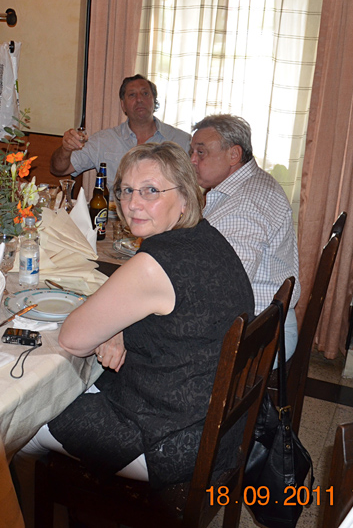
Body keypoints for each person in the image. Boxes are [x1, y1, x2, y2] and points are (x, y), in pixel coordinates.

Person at [22, 142, 254, 488]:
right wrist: (116, 327)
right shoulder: (206, 237)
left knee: (24, 423)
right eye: (127, 190)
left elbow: (73, 339)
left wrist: (111, 324)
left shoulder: (154, 263)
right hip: (216, 424)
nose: (132, 204)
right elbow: (158, 307)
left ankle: (31, 505)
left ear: (185, 197)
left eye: (151, 191)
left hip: (167, 439)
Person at [189, 114, 300, 359]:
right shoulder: (247, 185)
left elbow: (224, 290)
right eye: (192, 152)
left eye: (201, 152)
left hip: (258, 336)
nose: (192, 160)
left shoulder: (245, 206)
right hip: (261, 323)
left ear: (234, 155)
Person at [50, 74, 191, 185]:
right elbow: (59, 170)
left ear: (154, 101)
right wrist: (66, 149)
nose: (139, 99)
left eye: (145, 93)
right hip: (113, 212)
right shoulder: (103, 141)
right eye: (132, 95)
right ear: (123, 105)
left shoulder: (181, 141)